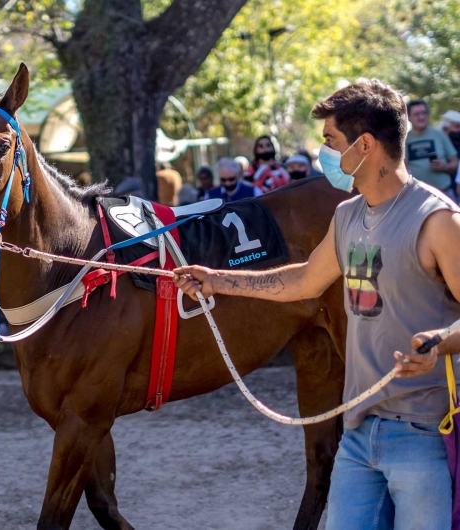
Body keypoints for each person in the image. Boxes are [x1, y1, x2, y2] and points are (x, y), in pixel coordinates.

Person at [174, 79, 460, 529]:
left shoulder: (438, 220)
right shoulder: (346, 214)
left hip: (421, 434)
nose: (323, 153)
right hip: (357, 434)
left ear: (365, 146)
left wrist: (440, 342)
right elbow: (305, 279)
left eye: (330, 141)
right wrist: (218, 281)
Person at [405, 99, 458, 195]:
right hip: (416, 195)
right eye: (416, 114)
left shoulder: (439, 134)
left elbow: (455, 163)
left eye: (424, 113)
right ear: (408, 117)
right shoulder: (404, 140)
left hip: (444, 192)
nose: (421, 117)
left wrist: (444, 167)